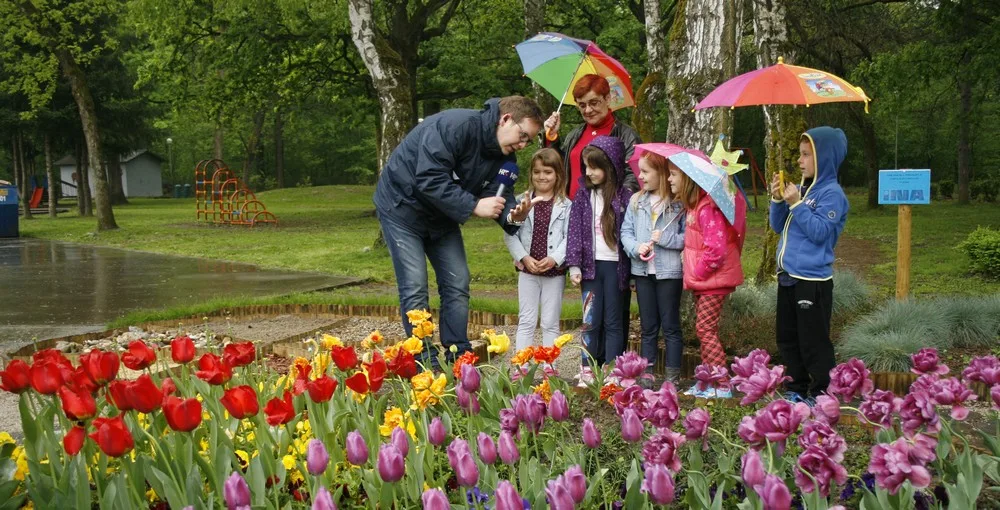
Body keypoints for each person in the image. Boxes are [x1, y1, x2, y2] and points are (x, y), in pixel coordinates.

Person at [373, 96, 544, 367]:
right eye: (522, 136)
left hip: (442, 216)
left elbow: (500, 196)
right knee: (415, 285)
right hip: (401, 208)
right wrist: (474, 205)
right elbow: (428, 178)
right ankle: (424, 360)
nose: (522, 146)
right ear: (506, 119)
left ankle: (458, 354)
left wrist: (514, 215)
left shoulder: (505, 158)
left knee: (457, 281)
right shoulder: (455, 126)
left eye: (528, 141)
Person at [543, 74, 641, 358]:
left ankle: (614, 363)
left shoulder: (626, 135)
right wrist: (551, 138)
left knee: (615, 302)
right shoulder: (574, 135)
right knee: (590, 300)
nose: (588, 110)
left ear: (609, 99)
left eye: (594, 103)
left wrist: (608, 200)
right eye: (582, 105)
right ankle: (591, 362)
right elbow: (558, 168)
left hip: (610, 223)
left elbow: (634, 175)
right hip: (577, 220)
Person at [769, 126, 849, 404]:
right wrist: (779, 199)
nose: (800, 161)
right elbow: (777, 226)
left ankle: (821, 392)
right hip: (788, 277)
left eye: (806, 155)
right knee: (788, 338)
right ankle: (797, 389)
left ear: (824, 157)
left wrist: (797, 203)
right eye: (800, 155)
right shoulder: (803, 190)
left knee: (813, 341)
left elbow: (819, 233)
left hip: (812, 282)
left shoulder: (832, 194)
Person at [668, 153, 746, 399]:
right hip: (705, 282)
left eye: (673, 174)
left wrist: (698, 272)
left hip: (713, 281)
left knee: (705, 329)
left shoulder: (706, 210)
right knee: (705, 330)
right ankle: (708, 381)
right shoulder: (693, 208)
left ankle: (721, 384)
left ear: (689, 179)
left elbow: (716, 251)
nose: (669, 179)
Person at [565, 136, 633, 386]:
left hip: (616, 268)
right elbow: (573, 233)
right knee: (590, 320)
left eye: (594, 167)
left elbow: (631, 233)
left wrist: (633, 272)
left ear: (611, 166)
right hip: (590, 270)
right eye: (586, 167)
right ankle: (587, 368)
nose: (589, 172)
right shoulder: (583, 197)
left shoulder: (625, 197)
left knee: (614, 321)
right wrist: (574, 265)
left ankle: (613, 369)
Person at [621, 151, 686, 385]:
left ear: (662, 173)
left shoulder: (678, 205)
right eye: (640, 171)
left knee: (670, 326)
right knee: (648, 327)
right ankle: (646, 375)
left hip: (669, 274)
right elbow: (625, 232)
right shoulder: (637, 202)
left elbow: (687, 237)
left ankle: (672, 377)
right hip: (643, 273)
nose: (641, 176)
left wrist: (665, 239)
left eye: (646, 171)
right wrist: (636, 248)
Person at [504, 148, 571, 352]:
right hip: (528, 270)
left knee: (550, 322)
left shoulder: (566, 205)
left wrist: (555, 258)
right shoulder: (519, 202)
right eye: (537, 171)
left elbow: (570, 238)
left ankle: (549, 371)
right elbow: (509, 233)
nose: (542, 176)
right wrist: (524, 257)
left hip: (554, 271)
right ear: (531, 174)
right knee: (526, 319)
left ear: (558, 174)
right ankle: (521, 370)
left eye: (548, 172)